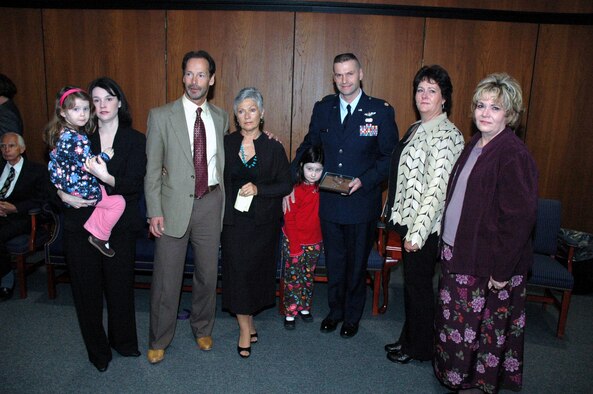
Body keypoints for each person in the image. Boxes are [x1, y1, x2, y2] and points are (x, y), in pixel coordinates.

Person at [433, 73, 538, 393]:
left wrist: (502, 271)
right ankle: (453, 374)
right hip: (459, 251)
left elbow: (519, 220)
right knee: (456, 321)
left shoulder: (512, 153)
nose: (485, 113)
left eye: (495, 107)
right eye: (481, 105)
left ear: (510, 114)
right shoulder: (475, 145)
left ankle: (473, 382)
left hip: (487, 262)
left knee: (476, 327)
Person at [288, 53, 398, 338]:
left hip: (362, 202)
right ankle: (335, 312)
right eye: (338, 75)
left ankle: (352, 316)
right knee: (335, 261)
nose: (344, 80)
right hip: (330, 202)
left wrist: (365, 180)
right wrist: (289, 179)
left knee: (356, 262)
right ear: (333, 77)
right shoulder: (323, 108)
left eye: (349, 74)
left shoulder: (380, 111)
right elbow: (309, 145)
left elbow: (389, 157)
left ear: (360, 73)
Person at [51, 77, 146, 372]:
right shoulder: (77, 136)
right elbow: (55, 173)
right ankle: (98, 352)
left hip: (119, 226)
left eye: (109, 98)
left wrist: (106, 178)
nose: (102, 105)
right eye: (96, 99)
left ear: (120, 102)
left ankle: (124, 342)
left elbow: (132, 185)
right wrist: (60, 193)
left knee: (120, 288)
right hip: (79, 225)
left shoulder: (135, 139)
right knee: (86, 291)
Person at [145, 50, 229, 364]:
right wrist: (154, 210)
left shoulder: (220, 117)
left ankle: (202, 327)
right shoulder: (160, 115)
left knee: (207, 274)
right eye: (189, 74)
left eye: (201, 75)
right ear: (183, 77)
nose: (195, 81)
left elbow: (223, 160)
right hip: (171, 207)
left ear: (212, 79)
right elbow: (152, 169)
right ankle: (159, 337)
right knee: (167, 278)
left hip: (211, 203)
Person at [383, 65, 464, 364]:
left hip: (425, 230)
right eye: (420, 89)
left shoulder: (447, 135)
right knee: (413, 287)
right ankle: (409, 339)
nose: (424, 95)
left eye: (432, 90)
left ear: (444, 98)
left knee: (419, 290)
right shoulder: (418, 127)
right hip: (409, 223)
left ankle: (420, 349)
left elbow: (436, 190)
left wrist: (416, 235)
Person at [221, 87, 291, 358]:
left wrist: (260, 189)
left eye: (252, 109)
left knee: (256, 274)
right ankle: (243, 329)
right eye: (241, 111)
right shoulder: (226, 143)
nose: (247, 115)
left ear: (262, 114)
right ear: (235, 116)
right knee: (237, 273)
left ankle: (249, 321)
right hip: (233, 222)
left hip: (263, 223)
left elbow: (285, 183)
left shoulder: (273, 146)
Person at [46, 86, 126, 257]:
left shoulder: (60, 134)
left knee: (107, 196)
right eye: (75, 109)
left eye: (85, 109)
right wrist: (105, 156)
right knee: (118, 202)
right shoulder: (77, 138)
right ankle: (99, 235)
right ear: (62, 112)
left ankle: (95, 229)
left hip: (69, 186)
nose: (82, 114)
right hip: (82, 190)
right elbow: (89, 164)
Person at [281, 145, 324, 330]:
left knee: (307, 276)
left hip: (314, 242)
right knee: (293, 278)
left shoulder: (324, 189)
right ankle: (290, 312)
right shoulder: (295, 190)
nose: (313, 174)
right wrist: (295, 247)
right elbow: (289, 219)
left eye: (318, 170)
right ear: (301, 167)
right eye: (309, 169)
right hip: (294, 241)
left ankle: (304, 307)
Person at [0, 133, 47, 301]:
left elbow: (43, 200)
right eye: (3, 146)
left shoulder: (36, 171)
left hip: (23, 218)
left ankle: (6, 279)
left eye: (11, 146)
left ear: (22, 148)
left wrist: (16, 208)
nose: (6, 150)